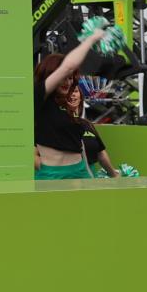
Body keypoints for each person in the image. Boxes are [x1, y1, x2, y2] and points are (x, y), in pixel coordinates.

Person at [34, 30, 106, 180]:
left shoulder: (68, 105)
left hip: (80, 171)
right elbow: (68, 67)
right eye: (63, 77)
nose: (68, 82)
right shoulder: (38, 96)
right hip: (52, 174)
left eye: (70, 78)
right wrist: (91, 39)